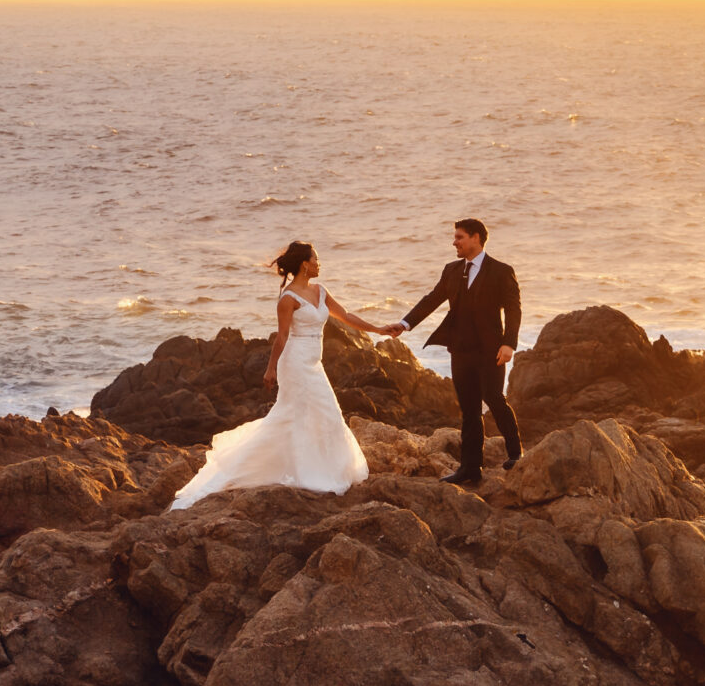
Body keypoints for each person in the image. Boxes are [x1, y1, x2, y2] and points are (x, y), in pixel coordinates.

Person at [170, 241, 390, 509]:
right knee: (296, 414)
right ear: (304, 264)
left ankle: (320, 469)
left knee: (326, 414)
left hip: (314, 363)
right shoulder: (288, 299)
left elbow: (345, 315)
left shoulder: (320, 291)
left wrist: (378, 329)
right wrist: (271, 367)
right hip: (295, 363)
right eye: (316, 259)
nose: (320, 263)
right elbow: (282, 336)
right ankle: (291, 471)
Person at [385, 218, 521, 485]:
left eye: (459, 237)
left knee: (494, 398)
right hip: (460, 348)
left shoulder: (501, 271)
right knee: (469, 409)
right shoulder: (451, 270)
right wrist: (405, 323)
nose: (454, 242)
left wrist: (509, 344)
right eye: (455, 237)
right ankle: (470, 468)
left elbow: (514, 309)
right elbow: (433, 299)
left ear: (476, 238)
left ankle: (516, 453)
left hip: (491, 350)